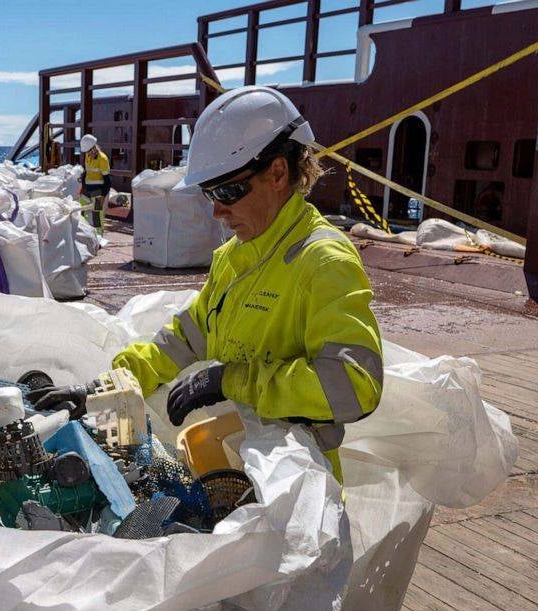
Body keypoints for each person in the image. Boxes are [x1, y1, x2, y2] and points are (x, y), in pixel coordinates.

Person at [30, 86, 384, 483]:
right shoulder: (233, 257)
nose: (217, 210)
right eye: (209, 192)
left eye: (228, 190)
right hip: (238, 461)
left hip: (297, 485)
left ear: (278, 173)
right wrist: (100, 389)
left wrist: (228, 380)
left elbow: (356, 386)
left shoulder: (322, 261)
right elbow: (183, 337)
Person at [80, 134, 111, 230]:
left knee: (96, 215)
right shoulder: (87, 155)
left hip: (98, 191)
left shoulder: (102, 159)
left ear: (94, 147)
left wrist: (103, 195)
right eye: (87, 152)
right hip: (87, 189)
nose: (88, 154)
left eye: (89, 151)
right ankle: (83, 233)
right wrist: (82, 187)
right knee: (81, 211)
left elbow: (107, 180)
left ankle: (98, 236)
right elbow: (86, 172)